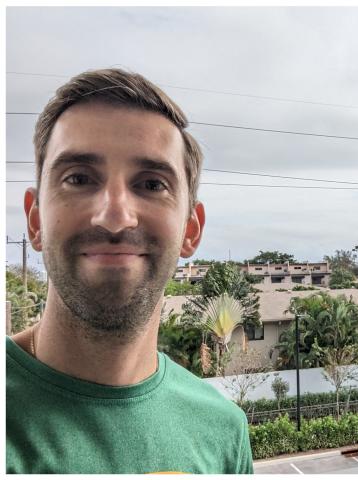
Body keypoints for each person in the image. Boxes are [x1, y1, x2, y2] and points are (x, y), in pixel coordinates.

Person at [6, 69, 253, 474]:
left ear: (191, 230)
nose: (115, 217)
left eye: (152, 184)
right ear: (34, 221)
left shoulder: (224, 430)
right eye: (79, 178)